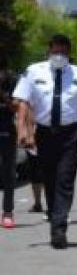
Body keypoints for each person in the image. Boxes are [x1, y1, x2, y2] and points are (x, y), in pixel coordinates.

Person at [13, 34, 77, 249]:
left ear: (69, 54)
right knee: (49, 179)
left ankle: (59, 229)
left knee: (65, 180)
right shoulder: (34, 72)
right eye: (55, 51)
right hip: (45, 134)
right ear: (48, 52)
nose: (59, 56)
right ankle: (54, 216)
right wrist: (23, 130)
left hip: (72, 134)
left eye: (63, 52)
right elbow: (22, 102)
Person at [0, 65, 17, 228]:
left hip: (6, 131)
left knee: (8, 174)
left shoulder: (12, 83)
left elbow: (16, 107)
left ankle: (7, 212)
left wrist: (4, 96)